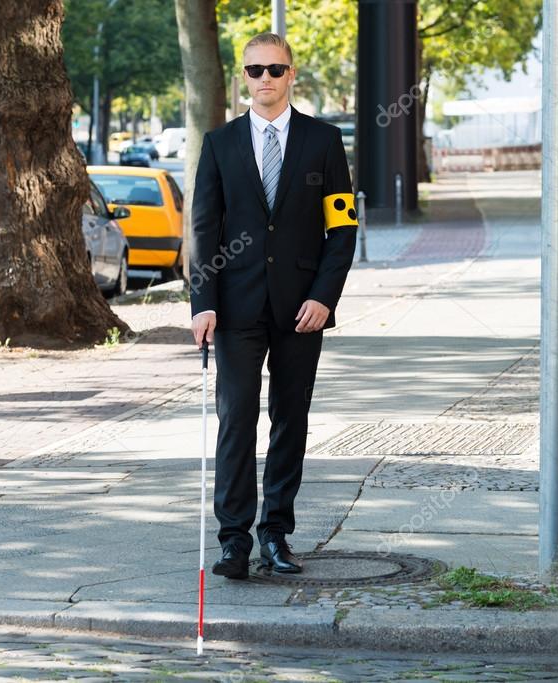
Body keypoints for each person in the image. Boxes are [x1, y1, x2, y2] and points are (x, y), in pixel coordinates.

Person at [189, 32, 357, 580]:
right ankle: (233, 540)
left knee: (290, 420)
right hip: (234, 310)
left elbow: (342, 230)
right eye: (255, 69)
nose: (266, 78)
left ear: (292, 75)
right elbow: (204, 229)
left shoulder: (324, 141)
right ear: (244, 76)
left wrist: (323, 298)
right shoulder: (219, 144)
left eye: (276, 69)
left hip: (300, 311)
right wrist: (202, 303)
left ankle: (276, 534)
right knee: (235, 420)